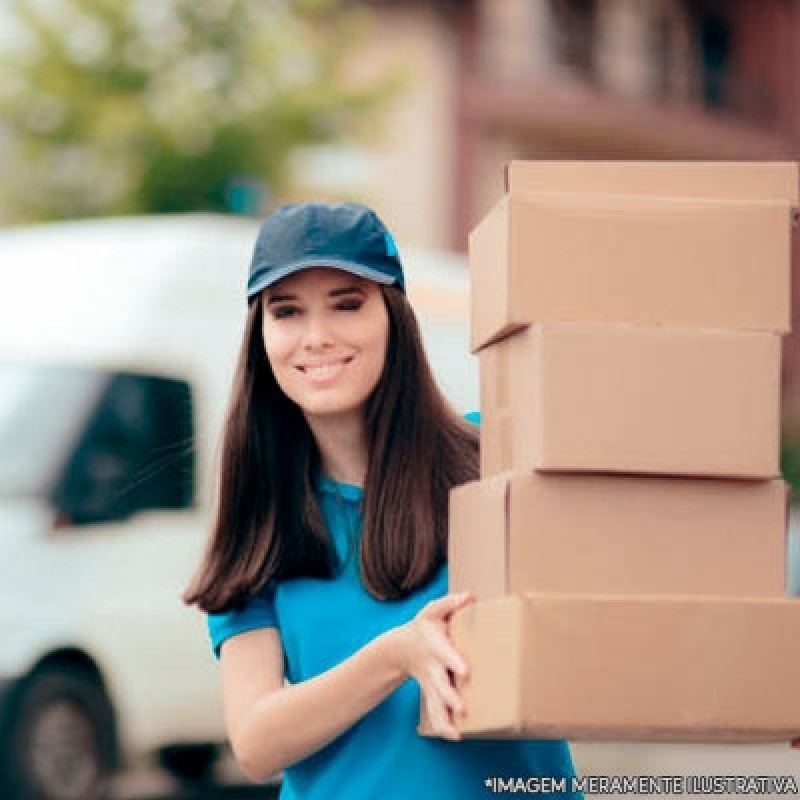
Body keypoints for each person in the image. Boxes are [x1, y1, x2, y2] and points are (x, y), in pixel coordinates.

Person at [182, 202, 581, 798]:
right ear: (261, 336)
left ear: (395, 317)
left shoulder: (495, 464)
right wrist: (395, 656)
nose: (316, 337)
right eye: (286, 311)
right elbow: (256, 743)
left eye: (347, 303)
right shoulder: (261, 516)